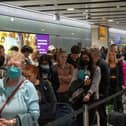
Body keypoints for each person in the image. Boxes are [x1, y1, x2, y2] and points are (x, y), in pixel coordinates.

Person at [0, 52, 39, 126]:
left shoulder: (28, 87)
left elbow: (35, 114)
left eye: (16, 65)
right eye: (10, 65)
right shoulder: (0, 84)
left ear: (22, 67)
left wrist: (14, 122)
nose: (12, 68)